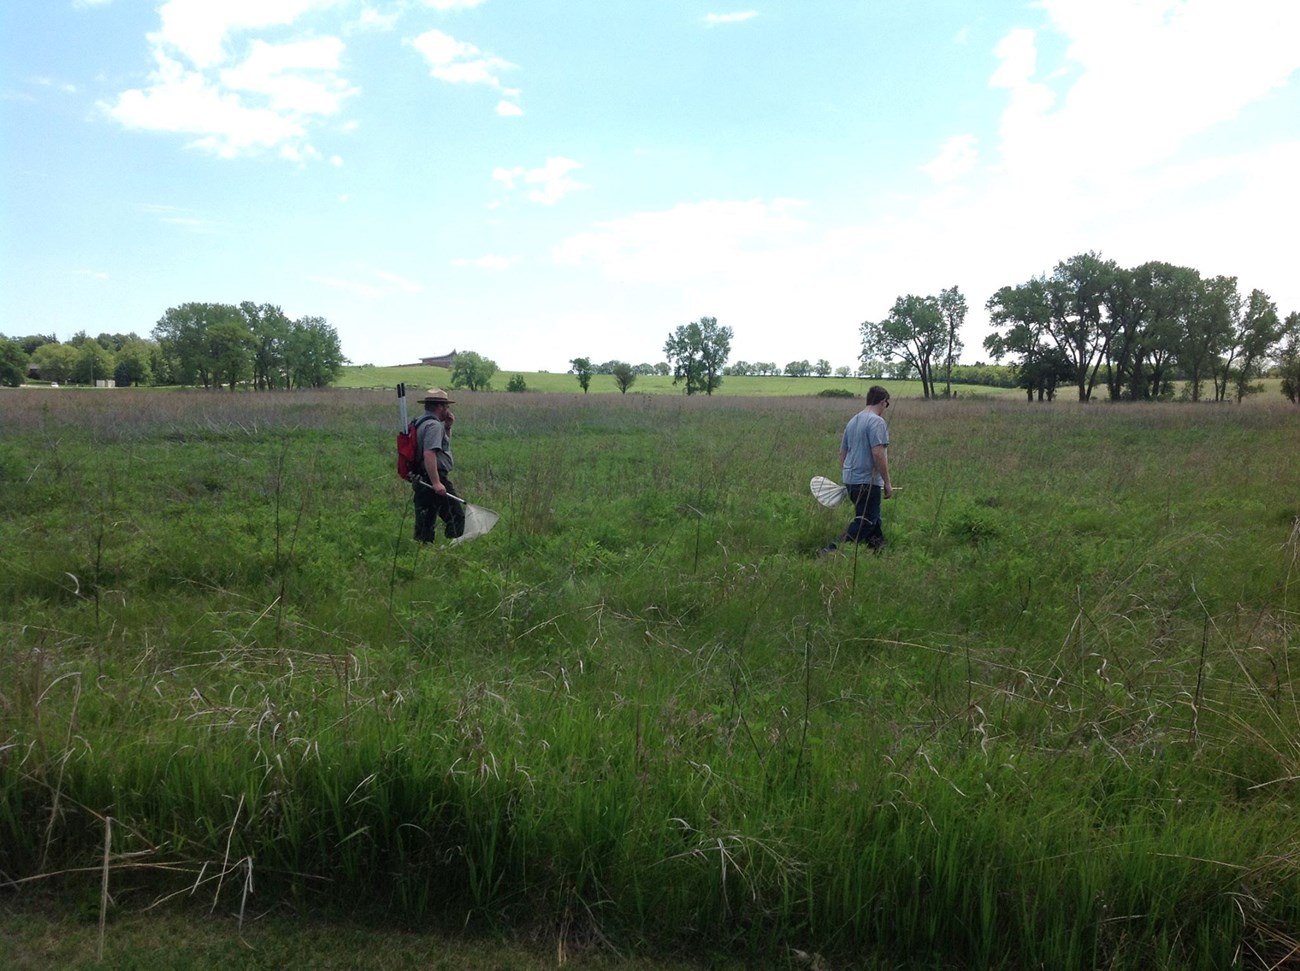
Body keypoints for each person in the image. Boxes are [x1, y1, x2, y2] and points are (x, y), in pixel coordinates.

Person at [820, 385, 893, 556]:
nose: (885, 409)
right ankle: (831, 551)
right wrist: (887, 483)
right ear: (883, 401)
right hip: (867, 481)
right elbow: (878, 453)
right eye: (886, 404)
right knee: (866, 521)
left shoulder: (853, 420)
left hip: (851, 480)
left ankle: (879, 552)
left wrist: (849, 476)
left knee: (873, 519)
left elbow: (842, 453)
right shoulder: (877, 421)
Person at [411, 388, 466, 542]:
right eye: (446, 406)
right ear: (440, 407)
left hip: (420, 477)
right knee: (457, 517)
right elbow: (429, 453)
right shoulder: (434, 426)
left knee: (425, 520)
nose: (448, 410)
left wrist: (448, 427)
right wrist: (436, 483)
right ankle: (453, 551)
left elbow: (442, 447)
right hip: (434, 477)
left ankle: (423, 552)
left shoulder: (419, 422)